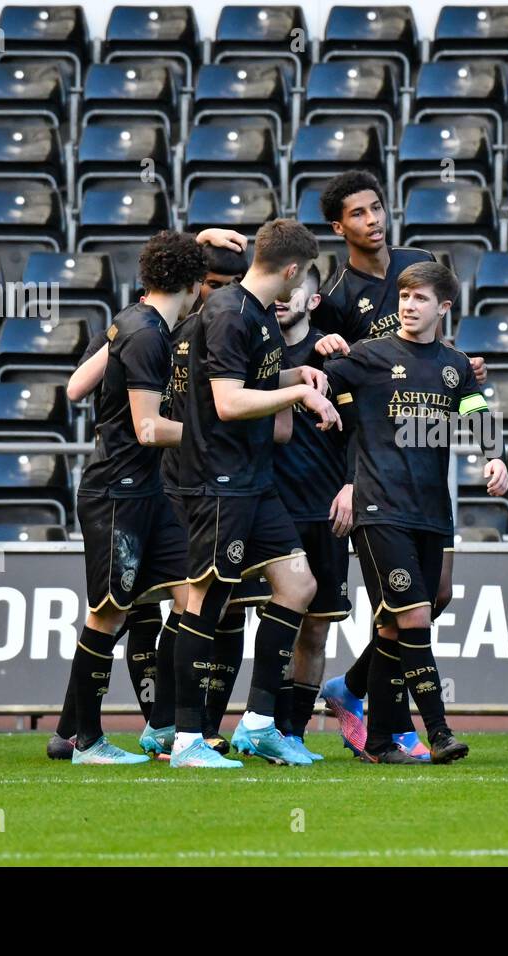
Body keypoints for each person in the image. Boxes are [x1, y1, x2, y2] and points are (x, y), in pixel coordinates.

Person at [46, 239, 251, 760]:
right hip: (119, 493)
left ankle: (176, 732)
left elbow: (73, 388)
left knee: (190, 595)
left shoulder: (129, 319)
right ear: (193, 285)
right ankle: (83, 739)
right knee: (107, 615)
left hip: (149, 493)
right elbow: (147, 428)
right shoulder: (148, 335)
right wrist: (210, 434)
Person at [323, 261, 508, 763]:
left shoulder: (454, 366)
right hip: (380, 507)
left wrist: (495, 457)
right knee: (415, 616)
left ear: (443, 308)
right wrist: (315, 351)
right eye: (405, 296)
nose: (408, 305)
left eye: (421, 298)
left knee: (396, 624)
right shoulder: (369, 355)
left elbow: (476, 413)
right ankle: (439, 731)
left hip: (431, 509)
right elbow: (315, 383)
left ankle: (376, 734)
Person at [172, 219, 340, 769]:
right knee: (206, 603)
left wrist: (300, 375)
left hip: (254, 481)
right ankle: (185, 739)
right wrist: (298, 391)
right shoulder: (226, 315)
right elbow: (226, 401)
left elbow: (258, 381)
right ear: (293, 271)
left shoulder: (260, 318)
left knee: (299, 584)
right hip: (219, 483)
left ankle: (261, 722)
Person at [264, 264, 352, 760]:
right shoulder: (254, 351)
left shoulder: (335, 359)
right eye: (279, 288)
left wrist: (352, 485)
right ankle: (260, 725)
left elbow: (360, 432)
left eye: (295, 292)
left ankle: (293, 732)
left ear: (313, 302)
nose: (283, 298)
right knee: (273, 620)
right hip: (270, 508)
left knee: (315, 628)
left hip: (324, 510)